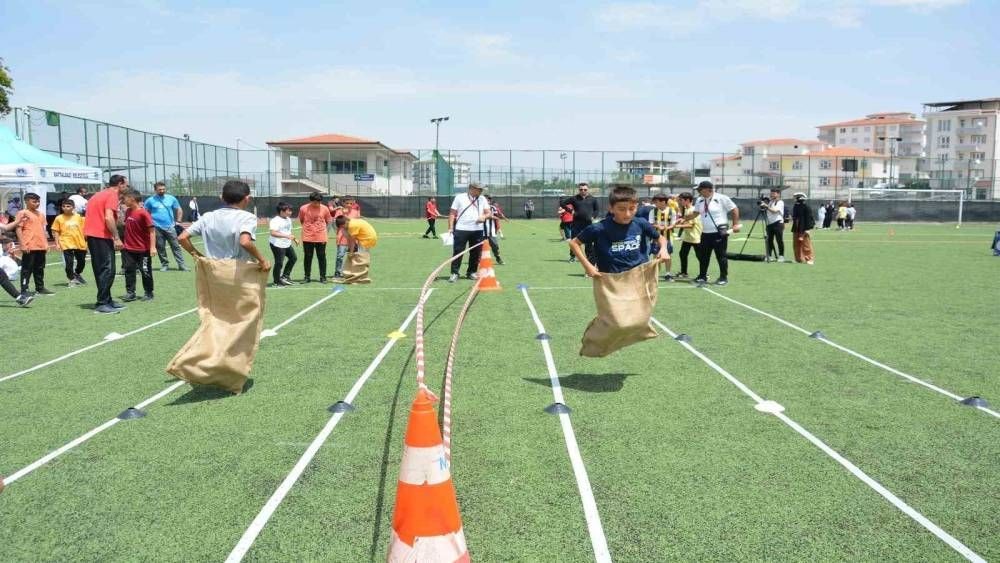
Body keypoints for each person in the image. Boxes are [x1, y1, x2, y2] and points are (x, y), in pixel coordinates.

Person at [568, 184, 668, 277]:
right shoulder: (599, 228)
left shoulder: (641, 223)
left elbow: (660, 238)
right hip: (610, 280)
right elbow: (574, 243)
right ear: (611, 209)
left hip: (638, 277)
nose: (627, 214)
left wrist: (663, 249)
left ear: (637, 207)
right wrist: (588, 266)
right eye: (621, 209)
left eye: (632, 208)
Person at [178, 181, 270, 269]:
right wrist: (262, 261)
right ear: (247, 198)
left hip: (213, 270)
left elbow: (182, 238)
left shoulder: (207, 216)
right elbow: (244, 242)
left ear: (222, 198)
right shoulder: (247, 217)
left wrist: (199, 257)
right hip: (237, 270)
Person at [85, 175, 130, 314]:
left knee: (104, 269)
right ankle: (102, 302)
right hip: (100, 235)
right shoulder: (112, 195)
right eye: (126, 185)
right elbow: (108, 217)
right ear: (120, 184)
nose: (126, 187)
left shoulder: (99, 194)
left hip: (94, 235)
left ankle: (107, 299)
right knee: (107, 269)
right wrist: (116, 237)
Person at [693, 180, 741, 286]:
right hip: (705, 232)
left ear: (707, 190)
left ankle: (723, 277)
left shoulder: (721, 198)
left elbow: (734, 209)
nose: (698, 192)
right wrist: (684, 218)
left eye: (700, 189)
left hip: (719, 232)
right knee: (704, 256)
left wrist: (735, 224)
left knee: (721, 256)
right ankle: (702, 276)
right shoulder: (699, 200)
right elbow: (695, 213)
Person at [447, 182, 489, 283]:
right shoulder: (459, 197)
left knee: (475, 252)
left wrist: (483, 217)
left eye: (481, 189)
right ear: (471, 188)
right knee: (458, 251)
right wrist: (450, 227)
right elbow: (452, 213)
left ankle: (471, 272)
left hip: (478, 230)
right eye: (479, 189)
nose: (481, 191)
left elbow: (488, 212)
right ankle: (454, 273)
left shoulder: (482, 199)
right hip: (461, 229)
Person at [144, 181, 188, 272]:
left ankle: (181, 265)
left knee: (176, 246)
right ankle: (165, 265)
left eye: (164, 189)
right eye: (160, 189)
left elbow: (179, 209)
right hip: (156, 227)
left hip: (170, 227)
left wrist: (178, 221)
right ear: (155, 190)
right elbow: (145, 212)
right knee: (160, 247)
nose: (162, 191)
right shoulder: (150, 200)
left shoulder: (171, 198)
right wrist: (149, 223)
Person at [15, 193, 53, 298]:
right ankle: (24, 289)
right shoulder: (22, 213)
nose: (37, 203)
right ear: (26, 201)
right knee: (27, 268)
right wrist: (22, 244)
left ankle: (40, 288)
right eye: (34, 201)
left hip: (40, 246)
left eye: (38, 201)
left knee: (40, 267)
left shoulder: (40, 214)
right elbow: (18, 229)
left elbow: (43, 230)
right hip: (29, 245)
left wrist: (46, 243)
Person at [121, 190, 156, 301]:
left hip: (143, 250)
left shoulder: (143, 213)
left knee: (145, 271)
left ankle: (148, 292)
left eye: (125, 198)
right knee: (129, 271)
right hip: (128, 249)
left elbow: (152, 231)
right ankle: (131, 293)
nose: (123, 200)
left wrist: (152, 247)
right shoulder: (127, 212)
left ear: (132, 199)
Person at [51, 199, 89, 287]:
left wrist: (87, 240)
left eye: (68, 206)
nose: (65, 208)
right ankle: (71, 279)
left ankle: (77, 273)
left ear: (73, 207)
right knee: (69, 264)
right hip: (66, 243)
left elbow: (85, 229)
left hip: (79, 243)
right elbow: (56, 231)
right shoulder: (59, 218)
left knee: (82, 262)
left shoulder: (79, 217)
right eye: (63, 206)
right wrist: (57, 243)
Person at [298, 192, 333, 283]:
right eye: (315, 202)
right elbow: (301, 220)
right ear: (311, 201)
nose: (317, 204)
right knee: (308, 257)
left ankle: (323, 277)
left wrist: (325, 232)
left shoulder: (325, 208)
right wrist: (308, 229)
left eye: (319, 202)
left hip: (321, 237)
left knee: (321, 257)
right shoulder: (303, 208)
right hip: (307, 237)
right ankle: (307, 277)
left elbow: (329, 220)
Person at [562, 182, 600, 263]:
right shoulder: (574, 198)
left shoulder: (593, 199)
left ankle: (589, 259)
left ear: (588, 189)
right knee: (574, 242)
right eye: (581, 189)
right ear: (578, 190)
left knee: (589, 243)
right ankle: (572, 257)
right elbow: (562, 203)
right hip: (576, 224)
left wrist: (593, 216)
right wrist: (570, 210)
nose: (583, 191)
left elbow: (597, 210)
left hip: (588, 225)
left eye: (585, 189)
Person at [672, 192, 702, 279]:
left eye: (681, 200)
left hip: (695, 237)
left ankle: (704, 274)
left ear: (687, 200)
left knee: (700, 256)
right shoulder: (686, 209)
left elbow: (691, 225)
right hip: (688, 238)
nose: (680, 202)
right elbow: (683, 218)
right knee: (682, 254)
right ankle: (684, 272)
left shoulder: (692, 210)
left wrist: (676, 226)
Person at [268, 202, 299, 286]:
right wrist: (287, 236)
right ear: (282, 211)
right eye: (288, 211)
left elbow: (288, 231)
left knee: (293, 258)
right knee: (279, 263)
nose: (290, 212)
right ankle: (276, 281)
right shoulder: (275, 220)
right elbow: (273, 233)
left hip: (286, 244)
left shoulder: (288, 219)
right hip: (277, 244)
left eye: (290, 210)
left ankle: (285, 276)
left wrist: (294, 239)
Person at [647, 194, 675, 281]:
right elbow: (651, 223)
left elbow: (673, 224)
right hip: (656, 238)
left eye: (657, 202)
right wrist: (658, 226)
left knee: (668, 256)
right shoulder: (653, 211)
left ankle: (668, 273)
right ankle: (656, 274)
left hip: (668, 238)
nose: (655, 204)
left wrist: (667, 227)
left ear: (663, 202)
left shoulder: (672, 211)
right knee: (656, 256)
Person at [791, 193, 815, 265]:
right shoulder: (796, 206)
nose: (796, 199)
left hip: (804, 228)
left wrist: (808, 229)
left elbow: (809, 218)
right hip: (796, 227)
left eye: (798, 198)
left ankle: (809, 258)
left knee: (806, 244)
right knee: (796, 244)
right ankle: (798, 259)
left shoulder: (806, 207)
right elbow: (795, 217)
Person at [764, 187, 786, 262]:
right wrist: (765, 206)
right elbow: (767, 211)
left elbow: (774, 211)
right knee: (769, 240)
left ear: (778, 194)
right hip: (769, 224)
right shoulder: (770, 202)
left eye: (773, 193)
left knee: (779, 240)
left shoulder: (780, 202)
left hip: (778, 223)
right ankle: (769, 255)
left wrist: (766, 206)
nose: (772, 194)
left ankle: (781, 256)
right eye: (771, 193)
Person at [483, 195, 505, 265]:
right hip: (481, 232)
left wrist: (496, 217)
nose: (487, 201)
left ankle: (498, 258)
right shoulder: (479, 208)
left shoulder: (493, 208)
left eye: (488, 200)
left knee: (495, 245)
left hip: (491, 231)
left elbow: (497, 216)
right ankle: (478, 260)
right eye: (486, 200)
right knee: (479, 247)